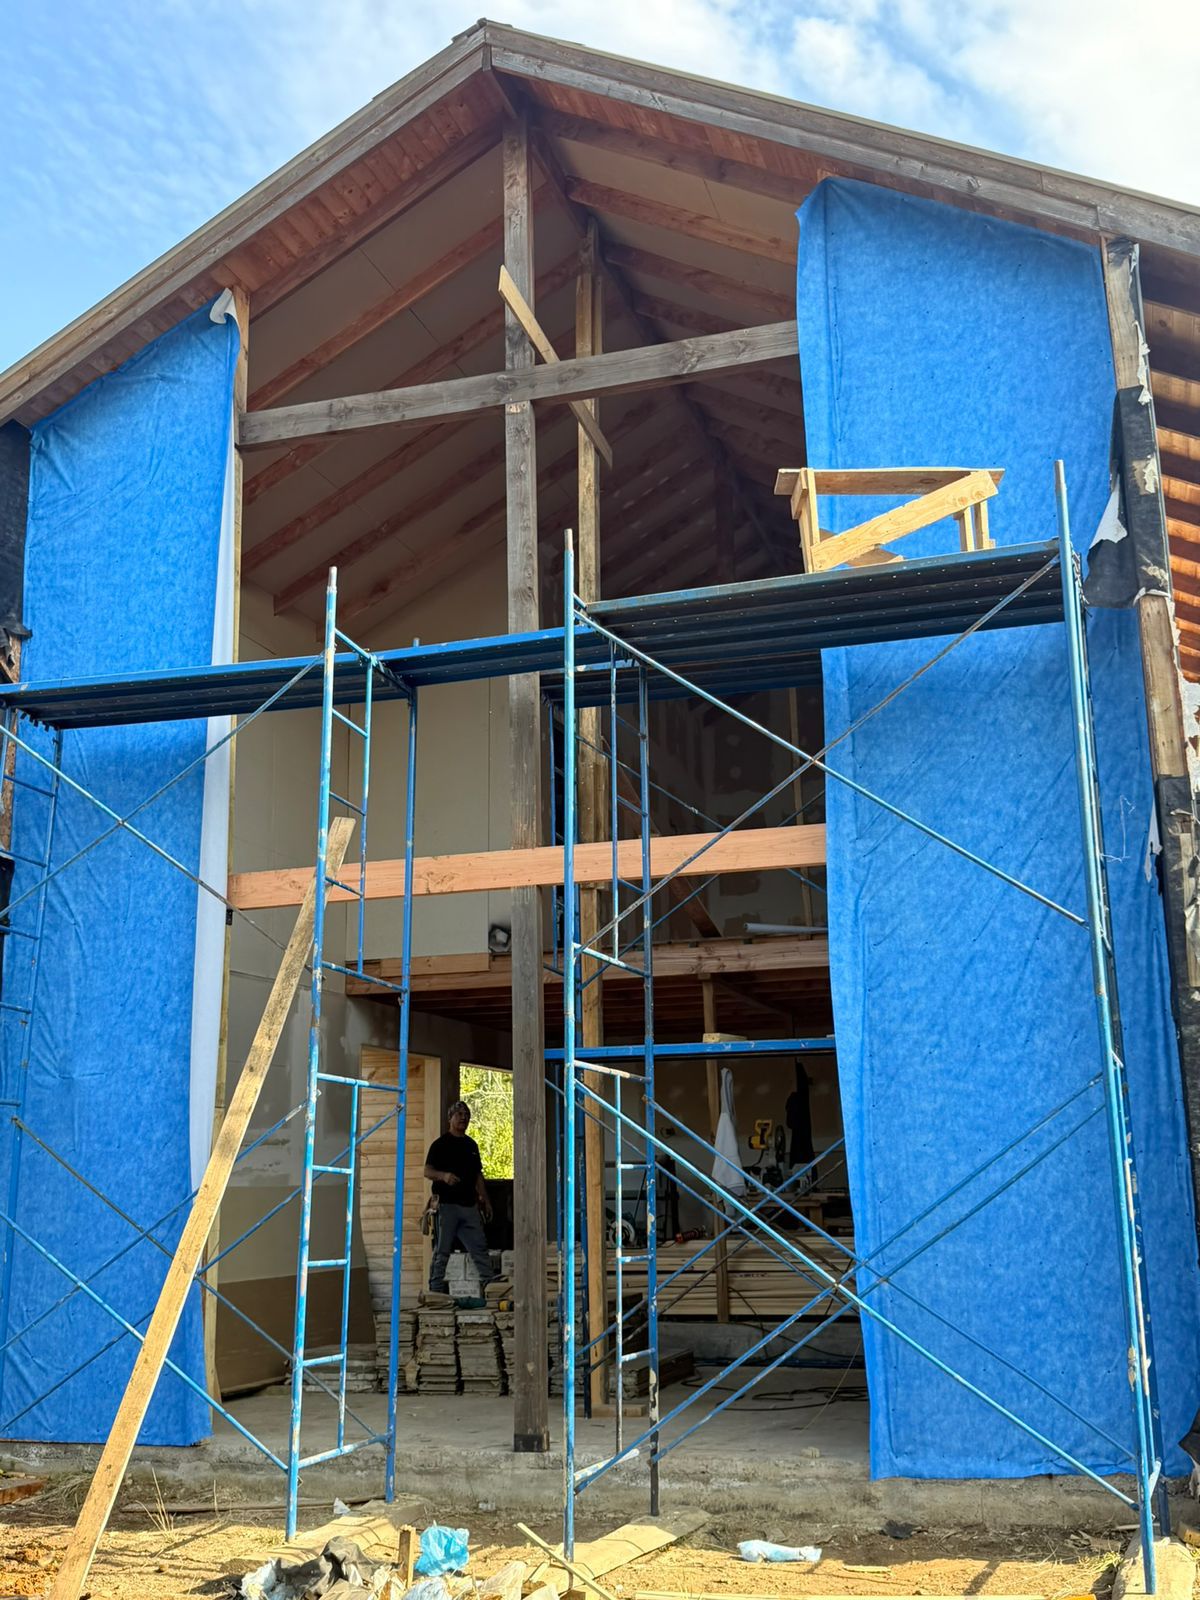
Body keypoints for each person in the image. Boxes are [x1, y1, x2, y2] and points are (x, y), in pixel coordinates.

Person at [424, 1100, 495, 1294]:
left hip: (469, 1206)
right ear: (450, 1118)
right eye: (459, 1115)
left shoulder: (471, 1145)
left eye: (466, 1115)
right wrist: (444, 1176)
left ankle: (492, 1289)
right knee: (442, 1251)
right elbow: (427, 1171)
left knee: (480, 1249)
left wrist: (486, 1201)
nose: (463, 1118)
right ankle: (435, 1292)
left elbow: (477, 1176)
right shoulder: (440, 1145)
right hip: (447, 1206)